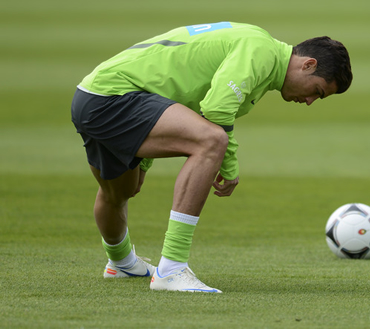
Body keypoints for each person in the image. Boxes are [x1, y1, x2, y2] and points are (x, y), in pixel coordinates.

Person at [71, 21, 352, 293]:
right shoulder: (262, 50)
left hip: (92, 95)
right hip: (115, 96)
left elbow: (182, 90)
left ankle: (121, 263)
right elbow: (216, 110)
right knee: (212, 141)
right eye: (317, 92)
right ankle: (171, 269)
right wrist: (229, 165)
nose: (309, 102)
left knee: (120, 191)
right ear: (308, 64)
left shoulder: (258, 48)